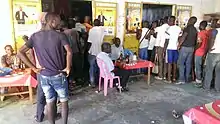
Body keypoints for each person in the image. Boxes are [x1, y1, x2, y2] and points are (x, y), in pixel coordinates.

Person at [17, 12, 72, 124]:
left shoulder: (35, 36)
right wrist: (67, 67)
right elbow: (69, 52)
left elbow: (20, 52)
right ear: (52, 22)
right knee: (64, 102)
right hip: (58, 75)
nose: (60, 23)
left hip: (44, 76)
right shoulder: (60, 35)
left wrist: (34, 68)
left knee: (50, 102)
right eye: (58, 21)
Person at [177, 16, 198, 84]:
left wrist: (179, 44)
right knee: (188, 64)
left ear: (191, 21)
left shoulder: (187, 28)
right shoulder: (195, 29)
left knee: (181, 63)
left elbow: (184, 37)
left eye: (189, 20)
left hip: (185, 47)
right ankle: (186, 78)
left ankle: (181, 79)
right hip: (191, 48)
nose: (188, 21)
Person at [203, 19, 220, 91]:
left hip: (213, 53)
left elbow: (212, 39)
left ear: (217, 23)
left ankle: (206, 87)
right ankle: (217, 88)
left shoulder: (214, 31)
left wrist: (209, 49)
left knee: (209, 70)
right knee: (218, 72)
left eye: (213, 22)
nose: (211, 24)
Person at [87, 19, 105, 87]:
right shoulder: (102, 29)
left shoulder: (92, 30)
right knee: (100, 67)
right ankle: (99, 81)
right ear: (100, 23)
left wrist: (87, 51)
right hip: (100, 52)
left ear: (93, 23)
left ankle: (92, 82)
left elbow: (89, 42)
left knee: (92, 67)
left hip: (93, 51)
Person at [164, 16, 182, 83]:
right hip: (176, 48)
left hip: (170, 48)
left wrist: (164, 50)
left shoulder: (168, 29)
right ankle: (174, 78)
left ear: (171, 20)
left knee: (169, 63)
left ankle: (169, 79)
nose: (168, 22)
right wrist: (178, 45)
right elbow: (180, 38)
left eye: (169, 20)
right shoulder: (179, 28)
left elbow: (167, 41)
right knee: (175, 63)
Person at [194, 21, 208, 85]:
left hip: (199, 52)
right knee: (203, 66)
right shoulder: (208, 33)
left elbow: (199, 43)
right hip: (205, 51)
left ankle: (198, 80)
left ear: (201, 25)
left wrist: (195, 49)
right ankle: (203, 79)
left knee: (198, 66)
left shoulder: (200, 33)